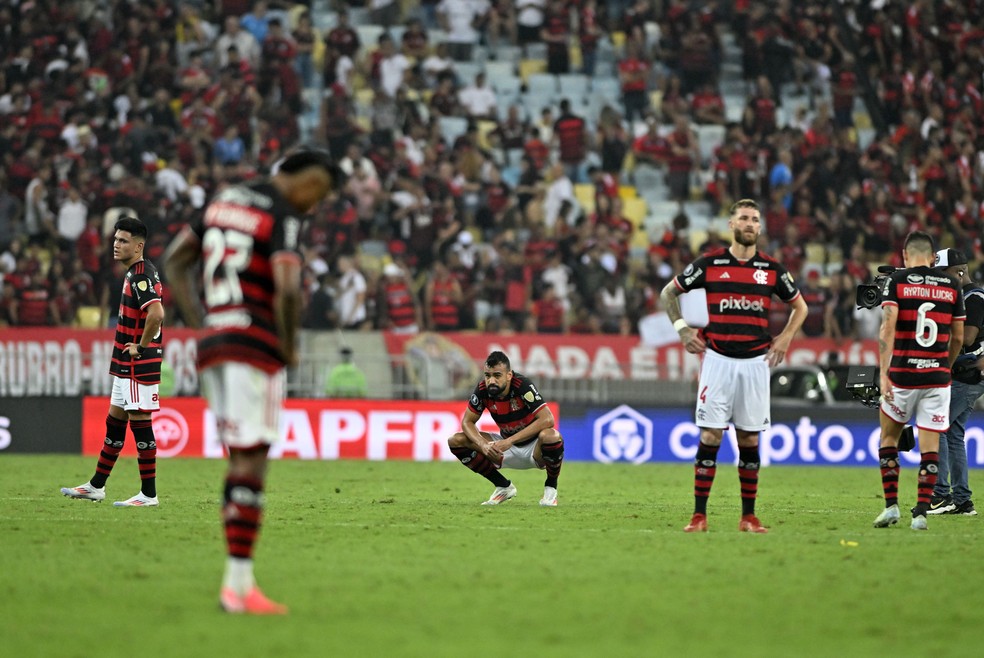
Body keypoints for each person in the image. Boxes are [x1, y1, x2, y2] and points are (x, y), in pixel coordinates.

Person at [164, 148, 344, 614]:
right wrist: (289, 346)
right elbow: (288, 287)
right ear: (303, 179)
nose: (315, 204)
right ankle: (238, 587)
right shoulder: (282, 213)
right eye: (318, 192)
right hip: (255, 343)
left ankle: (238, 584)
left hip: (215, 343)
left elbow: (175, 259)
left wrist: (202, 323)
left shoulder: (225, 200)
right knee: (252, 462)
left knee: (238, 458)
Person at [660, 199, 808, 534]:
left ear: (760, 227)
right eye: (743, 218)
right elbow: (668, 293)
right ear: (731, 224)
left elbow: (800, 307)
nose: (749, 224)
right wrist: (682, 330)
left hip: (756, 363)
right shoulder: (710, 263)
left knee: (750, 440)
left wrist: (785, 338)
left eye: (755, 219)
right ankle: (699, 516)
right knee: (710, 435)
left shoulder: (771, 269)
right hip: (717, 360)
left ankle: (749, 517)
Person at [61, 217, 165, 507]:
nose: (116, 245)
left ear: (139, 246)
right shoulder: (135, 273)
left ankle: (148, 494)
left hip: (137, 364)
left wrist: (140, 347)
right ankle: (96, 486)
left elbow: (157, 314)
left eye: (123, 241)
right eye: (115, 239)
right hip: (125, 365)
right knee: (115, 423)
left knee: (141, 424)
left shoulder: (142, 275)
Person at [872, 233, 965, 531]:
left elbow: (887, 328)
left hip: (903, 374)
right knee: (930, 448)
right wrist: (944, 366)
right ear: (934, 258)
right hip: (936, 378)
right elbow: (959, 338)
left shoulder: (897, 281)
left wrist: (884, 373)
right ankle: (921, 514)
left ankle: (891, 507)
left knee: (889, 439)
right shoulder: (952, 285)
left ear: (904, 255)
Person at [447, 350, 564, 507]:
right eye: (487, 376)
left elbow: (547, 419)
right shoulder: (482, 390)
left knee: (551, 436)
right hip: (504, 448)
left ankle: (551, 489)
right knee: (456, 440)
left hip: (535, 448)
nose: (491, 381)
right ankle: (503, 486)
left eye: (497, 375)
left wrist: (510, 441)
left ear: (509, 375)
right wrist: (483, 445)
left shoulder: (522, 385)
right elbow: (467, 422)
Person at [927, 248, 980, 516]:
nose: (940, 279)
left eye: (944, 273)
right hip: (966, 375)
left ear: (959, 272)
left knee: (936, 426)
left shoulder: (974, 298)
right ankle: (962, 501)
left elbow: (967, 338)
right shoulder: (964, 297)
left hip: (968, 375)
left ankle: (941, 495)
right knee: (954, 434)